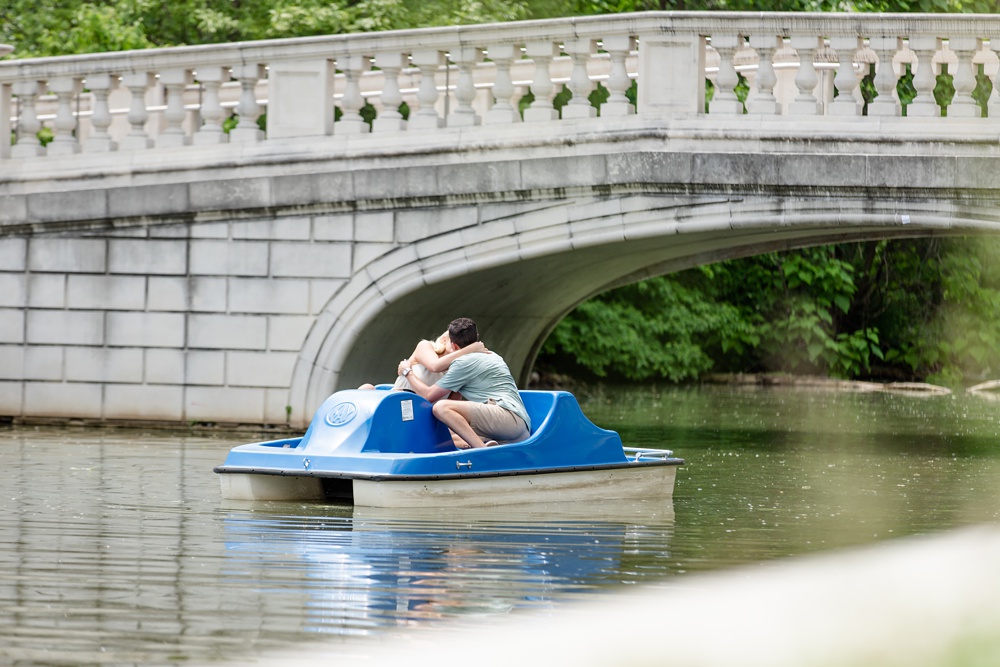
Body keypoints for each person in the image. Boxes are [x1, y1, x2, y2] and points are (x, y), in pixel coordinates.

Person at [398, 317, 530, 450]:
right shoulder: (493, 355)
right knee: (449, 429)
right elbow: (453, 402)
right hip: (520, 426)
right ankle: (483, 443)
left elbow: (429, 395)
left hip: (505, 418)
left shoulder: (461, 364)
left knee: (441, 407)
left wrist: (407, 371)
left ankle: (482, 451)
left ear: (454, 345)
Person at [358, 331, 485, 392]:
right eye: (455, 347)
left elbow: (451, 405)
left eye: (463, 349)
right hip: (395, 406)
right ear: (444, 340)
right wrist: (469, 350)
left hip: (423, 419)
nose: (458, 352)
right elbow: (435, 366)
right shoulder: (425, 346)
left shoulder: (459, 370)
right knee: (367, 388)